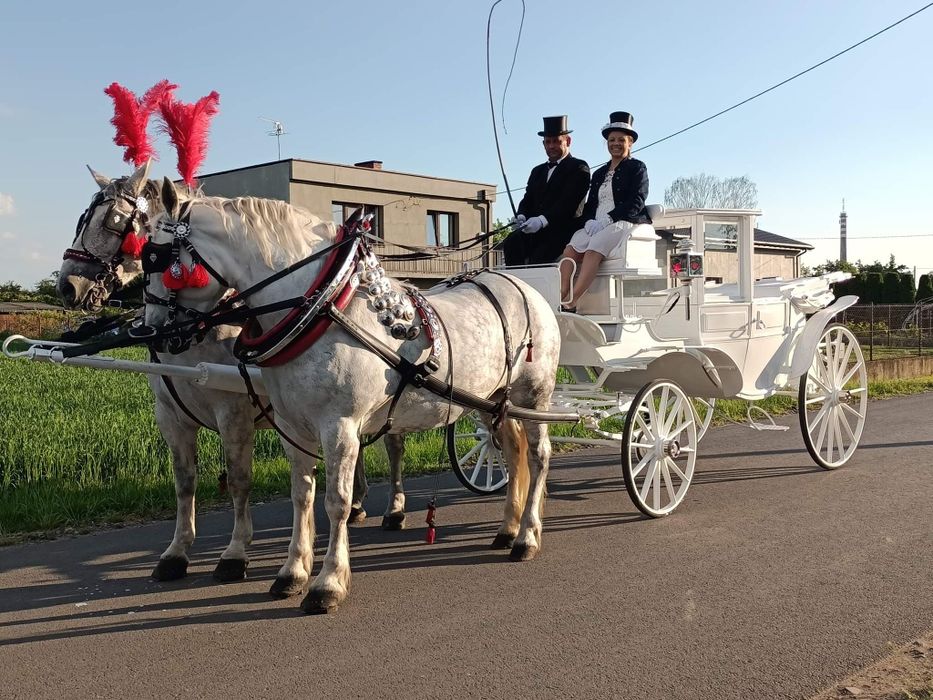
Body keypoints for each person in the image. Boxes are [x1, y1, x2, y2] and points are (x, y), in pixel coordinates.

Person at [559, 111, 649, 310]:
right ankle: (561, 293)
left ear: (630, 143)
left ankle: (572, 301)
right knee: (571, 247)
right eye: (612, 140)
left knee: (594, 248)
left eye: (621, 140)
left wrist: (608, 219)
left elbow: (637, 200)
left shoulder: (637, 168)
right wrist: (589, 221)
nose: (615, 143)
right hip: (597, 223)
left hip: (623, 222)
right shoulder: (600, 172)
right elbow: (591, 203)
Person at [502, 115, 590, 266]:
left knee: (540, 257)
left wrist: (542, 220)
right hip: (534, 232)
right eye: (547, 142)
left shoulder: (579, 168)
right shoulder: (537, 171)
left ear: (567, 141)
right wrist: (521, 215)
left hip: (563, 231)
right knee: (511, 241)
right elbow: (528, 198)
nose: (551, 146)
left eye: (556, 141)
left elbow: (568, 204)